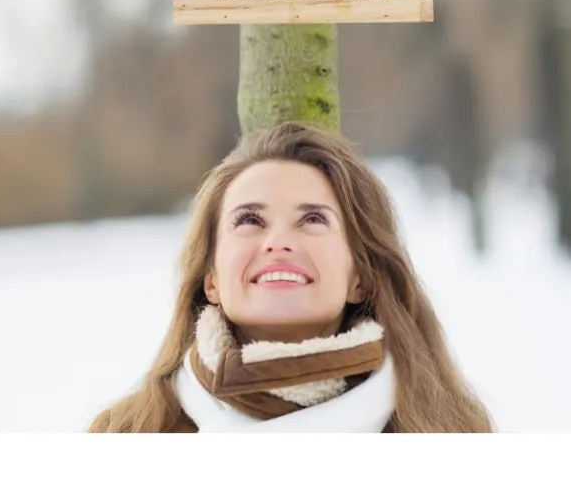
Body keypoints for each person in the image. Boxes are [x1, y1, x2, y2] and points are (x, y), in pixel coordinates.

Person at [89, 121, 494, 433]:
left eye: (313, 219)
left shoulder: (450, 434)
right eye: (249, 219)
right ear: (210, 278)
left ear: (362, 277)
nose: (278, 242)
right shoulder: (126, 438)